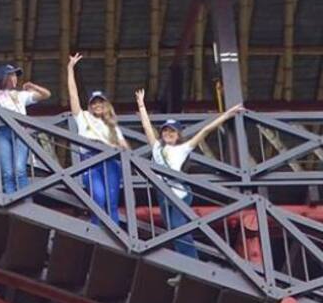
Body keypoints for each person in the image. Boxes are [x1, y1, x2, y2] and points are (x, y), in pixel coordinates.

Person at [136, 89, 242, 260]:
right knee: (173, 231)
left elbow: (206, 130)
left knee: (179, 228)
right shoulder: (157, 147)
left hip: (179, 193)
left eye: (172, 132)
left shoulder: (183, 148)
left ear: (178, 135)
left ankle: (192, 261)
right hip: (163, 195)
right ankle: (183, 265)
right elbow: (147, 127)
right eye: (165, 131)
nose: (168, 134)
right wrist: (141, 105)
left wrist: (227, 114)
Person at [0, 34, 50, 193]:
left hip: (20, 131)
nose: (15, 78)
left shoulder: (21, 95)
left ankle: (26, 203)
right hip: (2, 132)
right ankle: (12, 204)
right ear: (4, 78)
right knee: (7, 172)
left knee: (20, 169)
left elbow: (46, 94)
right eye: (12, 75)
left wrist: (33, 86)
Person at [67, 54, 129, 226]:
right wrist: (70, 69)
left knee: (112, 203)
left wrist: (123, 151)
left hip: (110, 160)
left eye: (100, 102)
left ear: (106, 104)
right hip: (90, 160)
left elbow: (124, 146)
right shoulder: (83, 117)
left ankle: (115, 241)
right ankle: (97, 236)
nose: (97, 105)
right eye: (94, 103)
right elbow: (73, 95)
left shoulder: (112, 124)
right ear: (90, 106)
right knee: (99, 199)